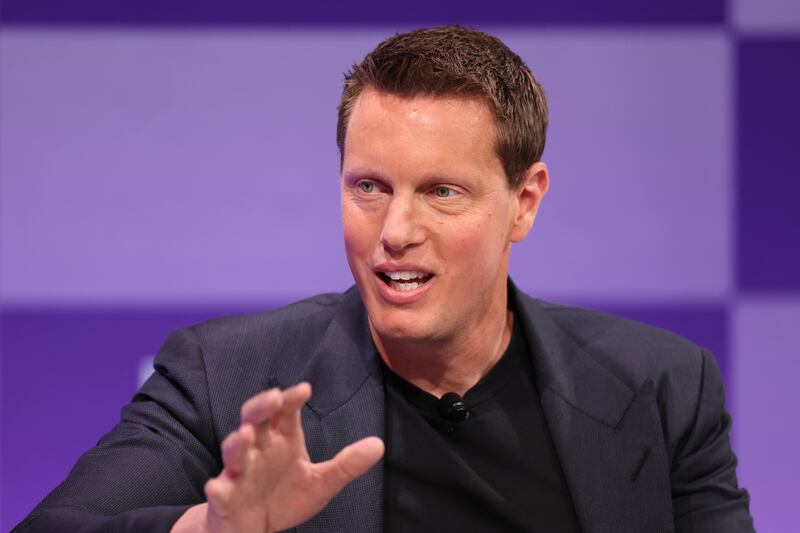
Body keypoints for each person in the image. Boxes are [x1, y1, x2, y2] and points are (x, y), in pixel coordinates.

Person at [16, 26, 755, 533]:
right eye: (369, 186)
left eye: (442, 191)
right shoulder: (227, 379)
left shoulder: (659, 385)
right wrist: (211, 529)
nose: (395, 229)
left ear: (524, 203)